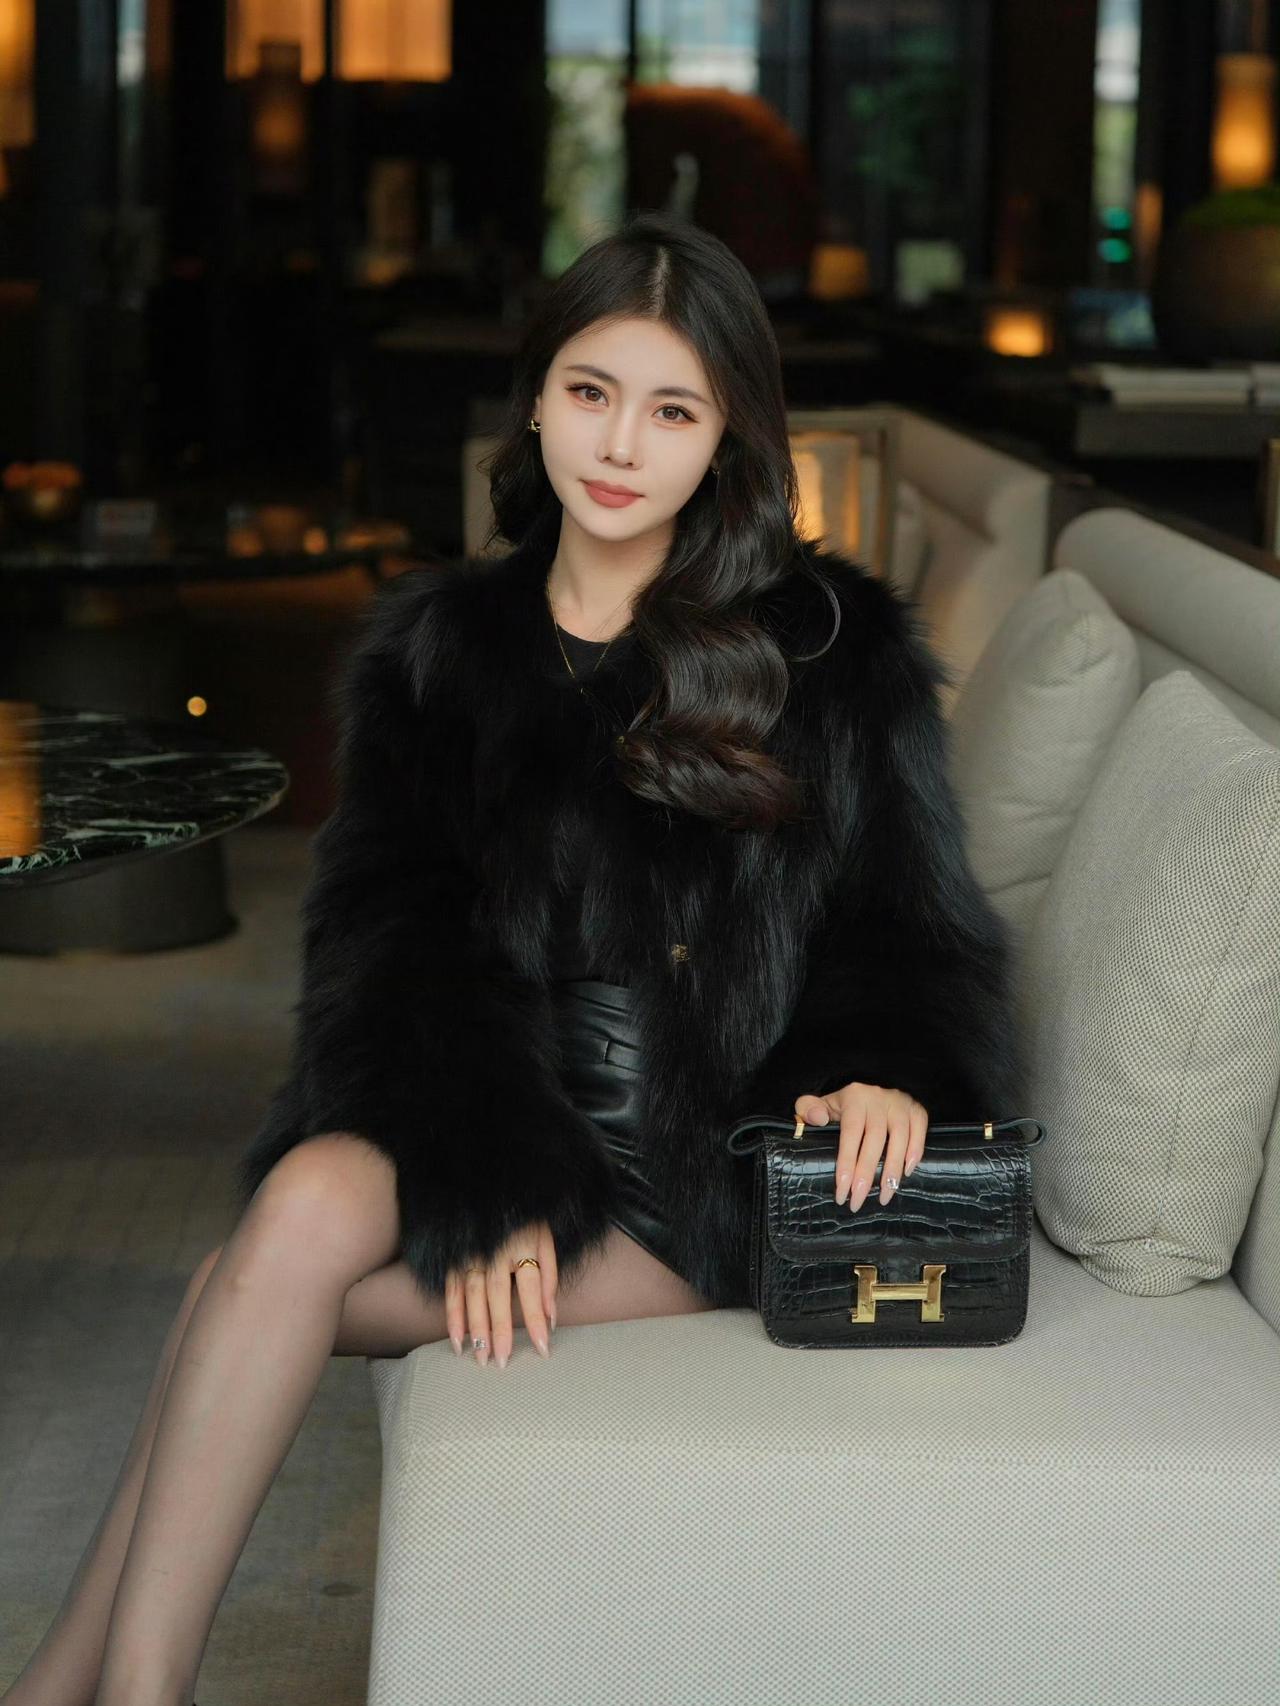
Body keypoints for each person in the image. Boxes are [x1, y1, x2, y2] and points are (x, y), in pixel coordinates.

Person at [2, 212, 1026, 1706]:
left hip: (700, 1173)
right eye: (590, 391)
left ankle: (75, 1684)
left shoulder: (830, 648)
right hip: (506, 1116)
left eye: (671, 411)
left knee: (241, 1283)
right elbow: (383, 950)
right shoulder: (437, 650)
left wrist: (884, 1068)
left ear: (726, 439)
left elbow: (915, 933)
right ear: (535, 396)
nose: (619, 445)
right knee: (296, 1211)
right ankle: (124, 1686)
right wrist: (496, 1183)